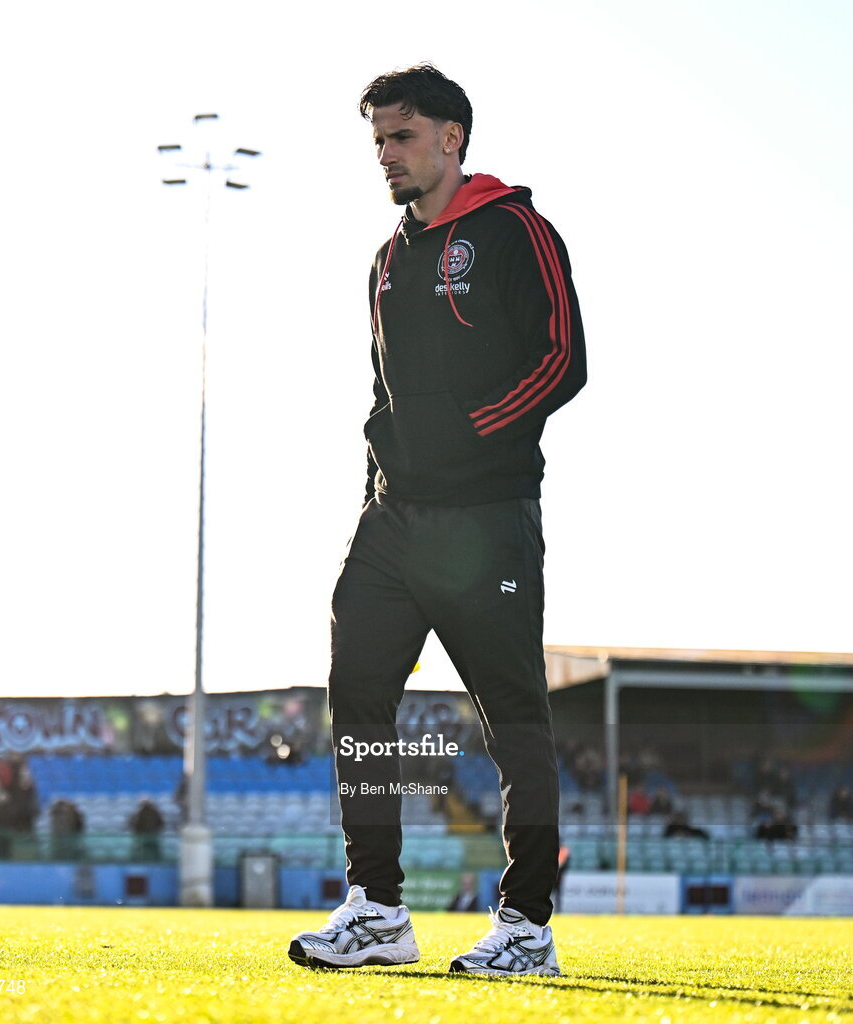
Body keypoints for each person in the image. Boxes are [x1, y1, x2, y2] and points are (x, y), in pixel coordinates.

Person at [288, 63, 586, 978]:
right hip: (391, 522)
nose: (386, 155)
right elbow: (384, 392)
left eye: (401, 136)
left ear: (451, 138)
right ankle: (377, 908)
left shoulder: (513, 231)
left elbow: (561, 361)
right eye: (377, 139)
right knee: (360, 701)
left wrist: (465, 438)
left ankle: (524, 923)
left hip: (486, 519)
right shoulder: (386, 259)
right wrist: (385, 474)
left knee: (511, 717)